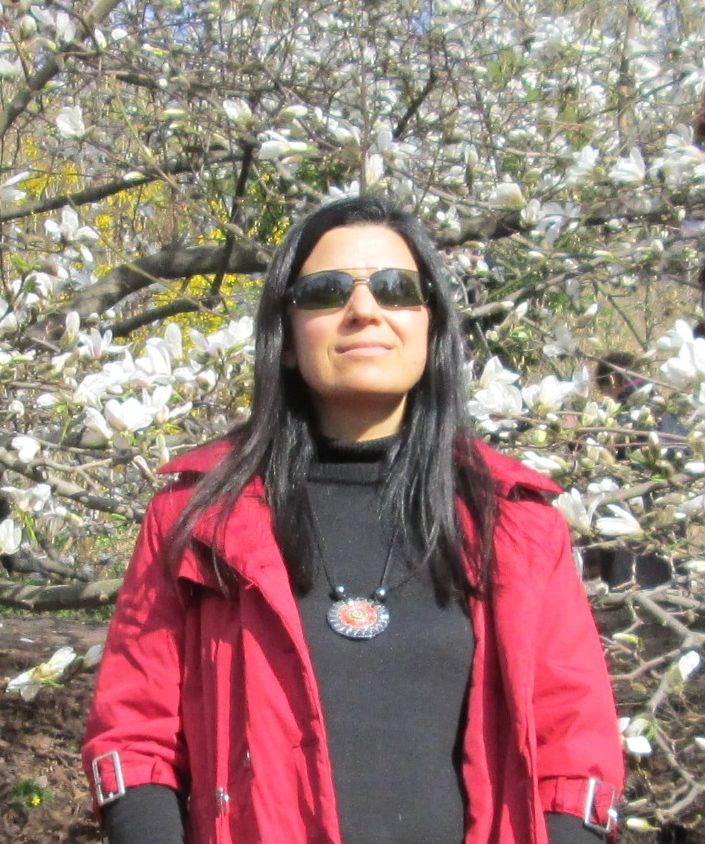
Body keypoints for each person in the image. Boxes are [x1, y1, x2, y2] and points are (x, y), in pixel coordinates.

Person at [83, 196, 623, 843]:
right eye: (327, 291)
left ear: (430, 327)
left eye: (396, 289)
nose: (364, 310)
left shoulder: (515, 524)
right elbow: (134, 737)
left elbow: (574, 755)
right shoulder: (199, 519)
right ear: (286, 338)